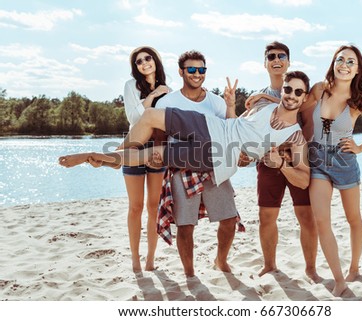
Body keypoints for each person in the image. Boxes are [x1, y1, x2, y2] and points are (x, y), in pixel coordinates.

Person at [58, 71, 311, 205]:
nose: (291, 94)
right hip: (212, 126)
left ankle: (108, 158)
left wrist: (281, 165)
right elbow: (240, 120)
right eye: (287, 88)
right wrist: (266, 97)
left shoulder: (295, 137)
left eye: (298, 92)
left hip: (221, 156)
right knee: (150, 116)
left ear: (304, 97)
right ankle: (114, 158)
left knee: (156, 155)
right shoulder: (263, 104)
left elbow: (303, 179)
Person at [299, 44, 362, 296]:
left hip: (344, 160)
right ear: (333, 63)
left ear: (357, 69)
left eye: (350, 61)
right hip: (317, 159)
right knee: (321, 221)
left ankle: (354, 268)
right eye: (340, 59)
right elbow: (296, 106)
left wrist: (360, 147)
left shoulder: (358, 101)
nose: (344, 64)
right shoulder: (320, 89)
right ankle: (339, 279)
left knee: (354, 218)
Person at [153, 50, 239, 277]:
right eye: (191, 69)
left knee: (229, 219)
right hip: (182, 169)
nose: (197, 74)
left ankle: (221, 261)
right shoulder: (168, 101)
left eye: (202, 69)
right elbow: (159, 135)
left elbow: (231, 132)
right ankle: (189, 272)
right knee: (185, 224)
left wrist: (231, 106)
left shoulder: (216, 102)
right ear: (181, 72)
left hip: (214, 167)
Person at [241, 41, 320, 281]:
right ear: (265, 63)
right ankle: (269, 265)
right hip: (268, 160)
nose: (277, 60)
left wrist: (267, 96)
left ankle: (310, 268)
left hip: (299, 158)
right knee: (266, 216)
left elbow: (299, 106)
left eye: (282, 56)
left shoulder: (298, 88)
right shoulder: (259, 100)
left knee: (306, 216)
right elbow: (244, 129)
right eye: (272, 56)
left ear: (288, 61)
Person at [122, 46, 170, 273]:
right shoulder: (131, 86)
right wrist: (151, 96)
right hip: (134, 146)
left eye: (147, 58)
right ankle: (135, 259)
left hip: (158, 149)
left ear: (155, 60)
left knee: (153, 206)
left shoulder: (168, 89)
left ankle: (151, 258)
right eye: (139, 61)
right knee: (135, 206)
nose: (144, 63)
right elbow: (132, 117)